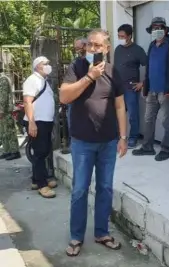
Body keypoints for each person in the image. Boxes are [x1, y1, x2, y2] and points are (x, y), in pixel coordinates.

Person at [60, 28, 128, 257]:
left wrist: (123, 137)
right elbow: (64, 96)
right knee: (80, 190)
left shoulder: (113, 72)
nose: (93, 49)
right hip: (82, 143)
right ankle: (76, 236)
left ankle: (102, 233)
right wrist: (89, 77)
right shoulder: (77, 67)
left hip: (108, 142)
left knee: (105, 189)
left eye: (98, 45)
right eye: (90, 44)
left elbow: (120, 106)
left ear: (107, 49)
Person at [132, 17, 169, 161]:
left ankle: (166, 150)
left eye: (160, 28)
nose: (157, 31)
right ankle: (147, 147)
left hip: (167, 90)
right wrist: (145, 85)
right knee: (148, 119)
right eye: (154, 28)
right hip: (151, 90)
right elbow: (150, 67)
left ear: (165, 30)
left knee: (166, 122)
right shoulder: (151, 45)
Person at [23, 56, 57, 198]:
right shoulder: (32, 80)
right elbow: (27, 101)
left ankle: (36, 180)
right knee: (40, 152)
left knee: (42, 151)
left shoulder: (43, 81)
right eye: (46, 63)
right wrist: (32, 122)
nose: (48, 65)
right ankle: (42, 185)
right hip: (37, 121)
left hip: (45, 121)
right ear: (38, 66)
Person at [114, 24, 147, 149]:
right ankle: (119, 137)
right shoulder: (118, 49)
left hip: (131, 88)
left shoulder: (137, 50)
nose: (120, 38)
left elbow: (149, 65)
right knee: (118, 114)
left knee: (133, 114)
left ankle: (133, 137)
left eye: (122, 36)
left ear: (129, 36)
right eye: (119, 36)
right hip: (118, 88)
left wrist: (143, 83)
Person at [0, 62, 21, 160]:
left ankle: (15, 151)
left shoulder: (2, 79)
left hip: (5, 110)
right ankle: (7, 151)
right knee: (3, 132)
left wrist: (1, 110)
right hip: (3, 110)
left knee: (10, 131)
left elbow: (3, 97)